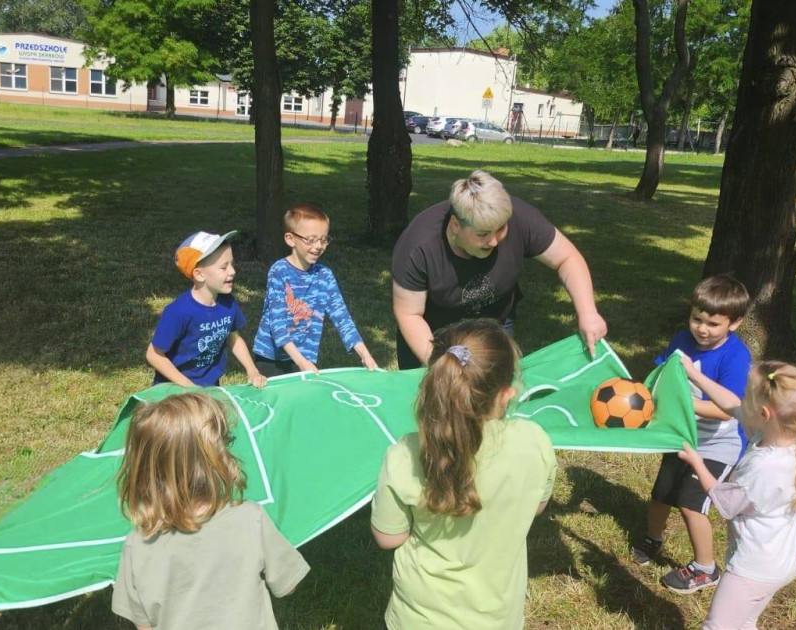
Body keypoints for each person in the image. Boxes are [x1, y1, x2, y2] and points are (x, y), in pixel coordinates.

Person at [370, 319, 556, 630]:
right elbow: (537, 506)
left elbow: (389, 537)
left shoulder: (404, 454)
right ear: (506, 394)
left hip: (419, 619)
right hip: (496, 618)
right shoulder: (535, 440)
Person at [111, 392, 310, 630]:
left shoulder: (137, 544)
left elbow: (143, 624)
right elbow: (288, 585)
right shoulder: (250, 519)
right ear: (216, 459)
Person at [390, 170, 606, 370]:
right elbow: (409, 314)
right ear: (456, 226)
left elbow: (567, 258)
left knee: (496, 399)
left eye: (501, 229)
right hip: (433, 332)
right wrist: (440, 366)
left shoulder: (519, 217)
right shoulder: (418, 246)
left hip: (495, 324)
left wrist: (588, 313)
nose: (494, 241)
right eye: (482, 234)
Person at [677, 360, 796, 630]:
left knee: (717, 626)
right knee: (745, 622)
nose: (740, 399)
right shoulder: (785, 439)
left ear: (764, 413)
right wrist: (694, 376)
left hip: (755, 565)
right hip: (778, 558)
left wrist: (696, 461)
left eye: (746, 395)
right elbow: (730, 405)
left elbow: (726, 503)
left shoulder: (766, 466)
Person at [631, 276, 752, 594]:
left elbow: (727, 409)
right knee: (661, 494)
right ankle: (652, 538)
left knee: (690, 503)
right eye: (697, 319)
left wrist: (684, 402)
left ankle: (705, 568)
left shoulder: (735, 356)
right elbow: (660, 375)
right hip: (682, 435)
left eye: (713, 323)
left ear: (735, 323)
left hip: (719, 444)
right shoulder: (682, 341)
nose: (702, 329)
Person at [253, 203, 379, 376]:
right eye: (311, 240)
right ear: (290, 239)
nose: (319, 245)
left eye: (324, 239)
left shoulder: (325, 276)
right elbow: (278, 325)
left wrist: (365, 354)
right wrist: (302, 363)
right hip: (270, 359)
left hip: (305, 358)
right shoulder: (279, 271)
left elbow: (342, 317)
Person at [146, 230, 267, 388]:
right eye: (224, 267)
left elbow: (234, 338)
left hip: (210, 387)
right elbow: (153, 355)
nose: (233, 271)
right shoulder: (178, 312)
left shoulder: (228, 303)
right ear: (199, 275)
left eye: (232, 264)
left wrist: (252, 370)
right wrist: (189, 387)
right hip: (174, 392)